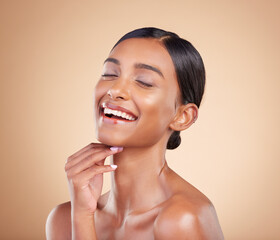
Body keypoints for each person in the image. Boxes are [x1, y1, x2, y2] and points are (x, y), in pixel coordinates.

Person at [46, 27, 224, 240]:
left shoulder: (183, 219)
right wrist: (82, 215)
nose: (115, 90)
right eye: (109, 74)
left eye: (144, 82)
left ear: (182, 116)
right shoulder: (64, 219)